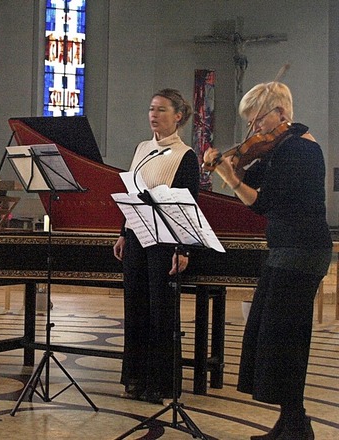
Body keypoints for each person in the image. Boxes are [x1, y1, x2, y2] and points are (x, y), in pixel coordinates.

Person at [204, 82, 330, 440]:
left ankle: (297, 426)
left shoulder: (300, 151)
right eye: (251, 122)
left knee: (284, 339)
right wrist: (226, 164)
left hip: (302, 252)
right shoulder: (279, 149)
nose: (255, 129)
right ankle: (291, 423)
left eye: (258, 120)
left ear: (282, 114)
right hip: (286, 251)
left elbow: (261, 203)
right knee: (270, 337)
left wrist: (228, 176)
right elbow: (252, 178)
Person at [113, 89, 199, 404]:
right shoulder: (141, 149)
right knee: (134, 308)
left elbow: (189, 205)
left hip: (165, 243)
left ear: (178, 116)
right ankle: (135, 378)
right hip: (136, 236)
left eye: (161, 110)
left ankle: (162, 384)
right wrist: (123, 231)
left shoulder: (185, 155)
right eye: (151, 108)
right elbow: (133, 192)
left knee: (160, 311)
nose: (154, 114)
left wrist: (183, 249)